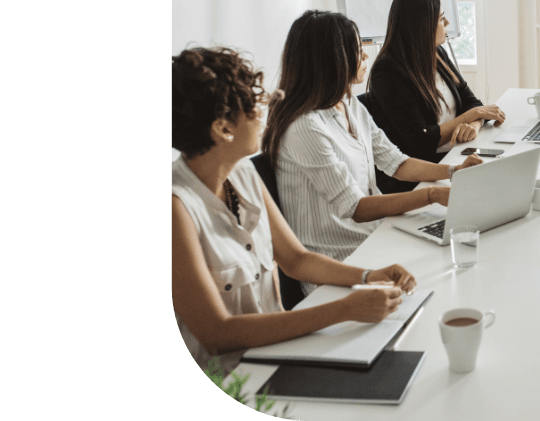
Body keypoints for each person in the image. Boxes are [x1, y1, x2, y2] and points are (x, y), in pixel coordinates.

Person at [172, 46, 419, 375]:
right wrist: (343, 309)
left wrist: (367, 276)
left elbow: (296, 260)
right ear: (223, 128)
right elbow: (218, 334)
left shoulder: (241, 171)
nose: (264, 111)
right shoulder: (178, 207)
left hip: (280, 352)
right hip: (236, 379)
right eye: (253, 105)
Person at [261, 10, 483, 290]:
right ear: (331, 60)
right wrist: (432, 194)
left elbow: (395, 162)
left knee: (462, 256)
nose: (366, 55)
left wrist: (453, 171)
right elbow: (356, 208)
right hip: (340, 265)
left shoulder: (348, 103)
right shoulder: (304, 126)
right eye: (357, 49)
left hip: (375, 239)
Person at [363, 0, 506, 194]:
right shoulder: (387, 71)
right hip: (423, 176)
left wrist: (473, 125)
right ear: (421, 26)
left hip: (455, 155)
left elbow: (471, 100)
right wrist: (473, 115)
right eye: (441, 19)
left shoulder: (436, 53)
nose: (447, 24)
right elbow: (421, 141)